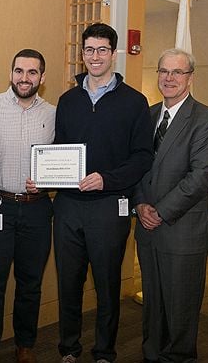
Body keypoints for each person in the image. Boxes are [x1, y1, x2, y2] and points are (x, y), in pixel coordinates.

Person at [53, 23, 153, 363]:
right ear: (81, 55)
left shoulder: (134, 102)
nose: (95, 56)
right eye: (89, 50)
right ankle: (68, 349)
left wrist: (106, 180)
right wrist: (44, 176)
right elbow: (59, 150)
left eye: (102, 50)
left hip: (110, 206)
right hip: (67, 206)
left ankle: (104, 352)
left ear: (113, 54)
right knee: (69, 283)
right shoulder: (67, 101)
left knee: (108, 286)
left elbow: (142, 157)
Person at [133, 48, 208, 363]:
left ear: (190, 78)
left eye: (177, 72)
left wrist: (160, 210)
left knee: (181, 308)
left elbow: (202, 176)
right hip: (147, 230)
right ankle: (152, 355)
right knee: (153, 306)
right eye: (164, 71)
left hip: (181, 231)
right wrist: (141, 205)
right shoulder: (146, 115)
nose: (169, 78)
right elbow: (136, 166)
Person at [0, 49, 56, 363]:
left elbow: (60, 163)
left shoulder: (53, 114)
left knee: (30, 283)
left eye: (32, 72)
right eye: (19, 71)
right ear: (10, 73)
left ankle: (25, 345)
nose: (25, 78)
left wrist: (48, 181)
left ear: (42, 77)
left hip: (37, 209)